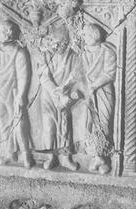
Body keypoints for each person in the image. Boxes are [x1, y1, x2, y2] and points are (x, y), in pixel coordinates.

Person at [37, 27, 80, 171]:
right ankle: (51, 157)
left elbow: (75, 76)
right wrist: (57, 93)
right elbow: (44, 77)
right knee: (49, 127)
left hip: (65, 95)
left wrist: (65, 91)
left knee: (65, 126)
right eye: (55, 43)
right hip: (49, 96)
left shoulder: (73, 56)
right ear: (50, 42)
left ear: (67, 42)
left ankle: (66, 158)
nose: (58, 46)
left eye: (62, 43)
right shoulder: (45, 55)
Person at [0, 19, 32, 168]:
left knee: (18, 123)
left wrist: (21, 95)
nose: (3, 34)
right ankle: (10, 153)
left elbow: (23, 75)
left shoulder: (19, 52)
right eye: (2, 30)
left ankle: (26, 154)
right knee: (3, 123)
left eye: (5, 31)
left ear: (11, 33)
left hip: (14, 92)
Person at [80, 23, 116, 174]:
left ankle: (104, 157)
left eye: (86, 35)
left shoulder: (107, 51)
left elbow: (110, 73)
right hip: (88, 94)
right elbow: (78, 73)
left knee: (104, 123)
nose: (84, 38)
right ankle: (97, 157)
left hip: (103, 93)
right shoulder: (83, 53)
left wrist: (94, 85)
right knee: (88, 124)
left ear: (95, 35)